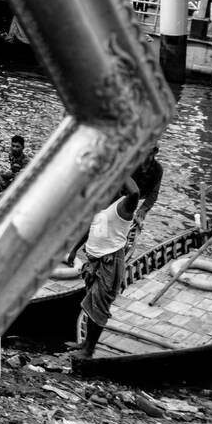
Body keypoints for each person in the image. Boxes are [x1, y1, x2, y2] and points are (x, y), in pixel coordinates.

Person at [66, 178, 142, 360]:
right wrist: (74, 250)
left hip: (110, 262)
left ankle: (89, 350)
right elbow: (90, 229)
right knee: (92, 302)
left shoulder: (122, 208)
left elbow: (135, 193)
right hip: (94, 261)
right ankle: (85, 344)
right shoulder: (102, 209)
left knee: (99, 305)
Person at [131, 145, 163, 230]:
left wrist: (143, 209)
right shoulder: (131, 164)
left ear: (154, 153)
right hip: (125, 193)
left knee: (138, 219)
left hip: (140, 193)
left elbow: (154, 192)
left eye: (149, 153)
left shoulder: (158, 169)